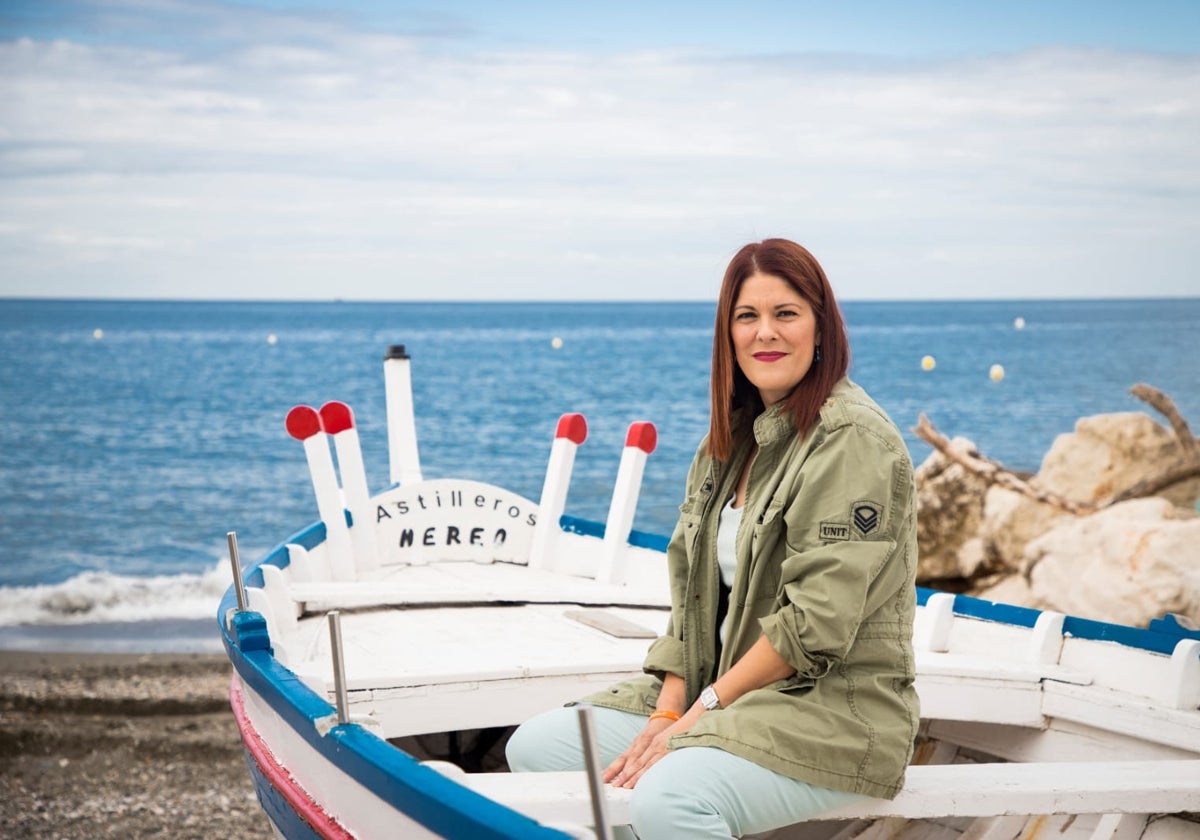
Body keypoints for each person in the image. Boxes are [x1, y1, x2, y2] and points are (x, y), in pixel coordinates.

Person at [506, 238, 919, 839]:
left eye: (787, 314)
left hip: (832, 712)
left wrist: (698, 717)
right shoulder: (730, 442)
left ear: (822, 329)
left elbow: (814, 625)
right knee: (540, 751)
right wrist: (670, 710)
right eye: (747, 317)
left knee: (670, 801)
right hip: (720, 693)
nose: (765, 333)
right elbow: (691, 608)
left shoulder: (851, 440)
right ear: (728, 335)